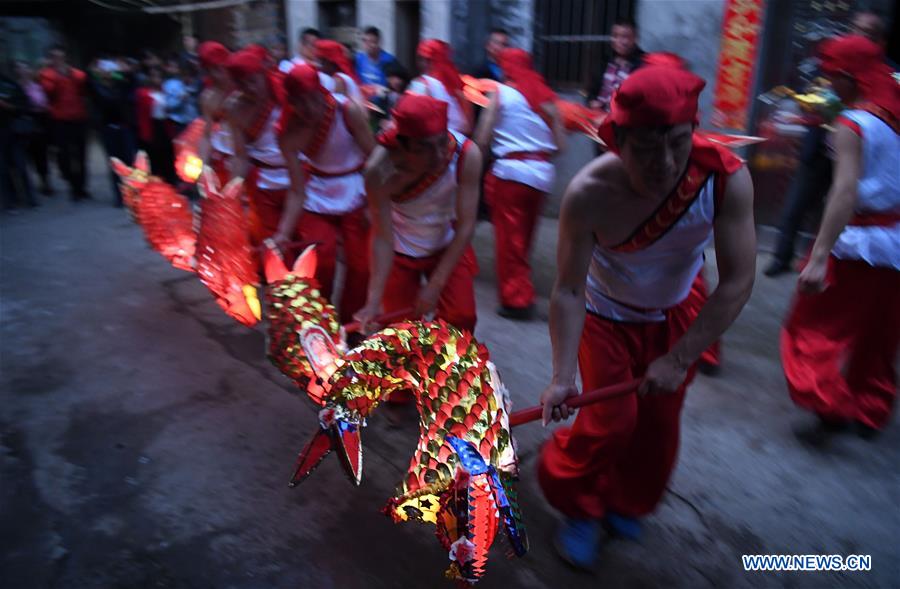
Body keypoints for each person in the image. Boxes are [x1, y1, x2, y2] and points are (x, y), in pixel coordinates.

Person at [536, 66, 756, 567]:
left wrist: (679, 358)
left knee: (659, 426)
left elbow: (739, 281)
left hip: (677, 315)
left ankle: (626, 500)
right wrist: (561, 376)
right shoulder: (588, 193)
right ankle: (578, 506)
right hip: (603, 316)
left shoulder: (725, 179)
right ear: (617, 141)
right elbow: (568, 288)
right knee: (607, 425)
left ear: (694, 133)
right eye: (646, 148)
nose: (665, 162)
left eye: (679, 143)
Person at [781, 34, 899, 442]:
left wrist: (819, 254)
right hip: (895, 243)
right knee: (878, 335)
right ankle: (870, 408)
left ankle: (830, 405)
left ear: (851, 77)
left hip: (861, 243)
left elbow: (844, 193)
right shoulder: (894, 114)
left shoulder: (854, 124)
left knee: (812, 328)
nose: (828, 85)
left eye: (832, 76)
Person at [763, 9, 891, 276]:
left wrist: (821, 257)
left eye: (867, 33)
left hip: (867, 227)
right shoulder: (835, 60)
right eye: (857, 29)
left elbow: (846, 193)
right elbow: (808, 97)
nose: (859, 36)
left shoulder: (886, 81)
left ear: (879, 40)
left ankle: (818, 256)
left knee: (838, 203)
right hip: (819, 151)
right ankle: (782, 258)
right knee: (796, 207)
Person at [355, 93, 482, 342]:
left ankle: (452, 377)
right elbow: (382, 236)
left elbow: (467, 226)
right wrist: (373, 300)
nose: (438, 155)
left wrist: (435, 286)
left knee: (462, 317)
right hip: (400, 248)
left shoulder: (466, 154)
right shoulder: (378, 171)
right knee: (400, 333)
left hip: (446, 245)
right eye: (425, 147)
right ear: (403, 144)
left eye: (441, 142)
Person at [270, 64, 375, 322]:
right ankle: (320, 323)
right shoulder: (288, 133)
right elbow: (296, 189)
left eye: (313, 99)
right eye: (300, 103)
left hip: (357, 190)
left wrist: (375, 205)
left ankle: (352, 327)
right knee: (319, 261)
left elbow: (375, 158)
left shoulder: (347, 110)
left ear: (322, 93)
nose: (309, 109)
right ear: (291, 102)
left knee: (361, 267)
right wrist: (283, 232)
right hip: (317, 195)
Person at [474, 47, 564, 320]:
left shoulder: (501, 94)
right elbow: (561, 144)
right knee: (524, 239)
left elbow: (483, 136)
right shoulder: (549, 99)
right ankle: (520, 287)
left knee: (509, 240)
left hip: (511, 174)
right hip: (541, 174)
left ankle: (517, 300)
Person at [225, 49, 291, 255]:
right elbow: (240, 155)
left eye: (253, 80)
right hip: (262, 182)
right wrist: (230, 195)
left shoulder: (286, 92)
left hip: (300, 177)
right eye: (243, 83)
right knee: (274, 246)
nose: (250, 88)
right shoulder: (234, 107)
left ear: (263, 72)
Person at [39, 45, 90, 200]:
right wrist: (59, 76)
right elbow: (48, 91)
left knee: (81, 155)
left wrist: (68, 74)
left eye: (61, 57)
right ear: (51, 59)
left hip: (78, 118)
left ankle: (81, 188)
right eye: (55, 57)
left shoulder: (74, 73)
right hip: (60, 120)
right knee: (65, 156)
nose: (58, 60)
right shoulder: (47, 74)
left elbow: (83, 84)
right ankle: (72, 183)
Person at [89, 57, 137, 205]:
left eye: (111, 70)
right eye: (105, 70)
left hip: (124, 127)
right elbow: (90, 80)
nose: (108, 73)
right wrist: (98, 74)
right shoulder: (97, 86)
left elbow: (131, 78)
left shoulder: (122, 84)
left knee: (129, 161)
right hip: (108, 128)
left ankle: (133, 192)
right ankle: (119, 195)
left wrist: (118, 73)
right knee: (115, 163)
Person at [409, 40, 473, 135]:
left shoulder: (421, 84)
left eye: (421, 59)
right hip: (460, 143)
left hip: (434, 143)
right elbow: (467, 126)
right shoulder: (459, 87)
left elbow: (411, 117)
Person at [586, 18, 644, 114]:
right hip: (596, 115)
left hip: (624, 120)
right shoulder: (604, 61)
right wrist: (591, 102)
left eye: (626, 37)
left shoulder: (643, 65)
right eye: (616, 36)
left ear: (635, 38)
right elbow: (591, 92)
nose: (620, 41)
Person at [198, 41, 234, 186]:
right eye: (210, 70)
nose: (216, 75)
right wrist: (203, 168)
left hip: (251, 160)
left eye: (220, 68)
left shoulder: (246, 88)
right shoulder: (208, 96)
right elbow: (206, 135)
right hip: (222, 160)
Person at [0, 69, 37, 210]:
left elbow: (24, 106)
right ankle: (10, 200)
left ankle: (30, 197)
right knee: (2, 170)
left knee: (20, 165)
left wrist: (7, 106)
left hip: (13, 131)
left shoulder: (9, 84)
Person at [15, 60, 52, 196]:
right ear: (17, 72)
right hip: (22, 126)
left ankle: (45, 182)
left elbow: (43, 103)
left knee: (41, 155)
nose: (24, 72)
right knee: (25, 157)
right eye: (21, 69)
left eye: (26, 69)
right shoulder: (16, 87)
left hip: (38, 123)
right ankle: (27, 186)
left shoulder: (37, 86)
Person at [135, 68, 177, 185]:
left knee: (167, 155)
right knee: (154, 157)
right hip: (152, 127)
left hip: (163, 126)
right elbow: (143, 114)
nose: (157, 79)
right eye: (154, 77)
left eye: (159, 77)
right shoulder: (143, 93)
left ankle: (169, 181)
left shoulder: (163, 92)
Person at [314, 39, 365, 107]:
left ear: (329, 62)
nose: (318, 66)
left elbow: (335, 109)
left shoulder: (339, 80)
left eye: (321, 62)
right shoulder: (332, 77)